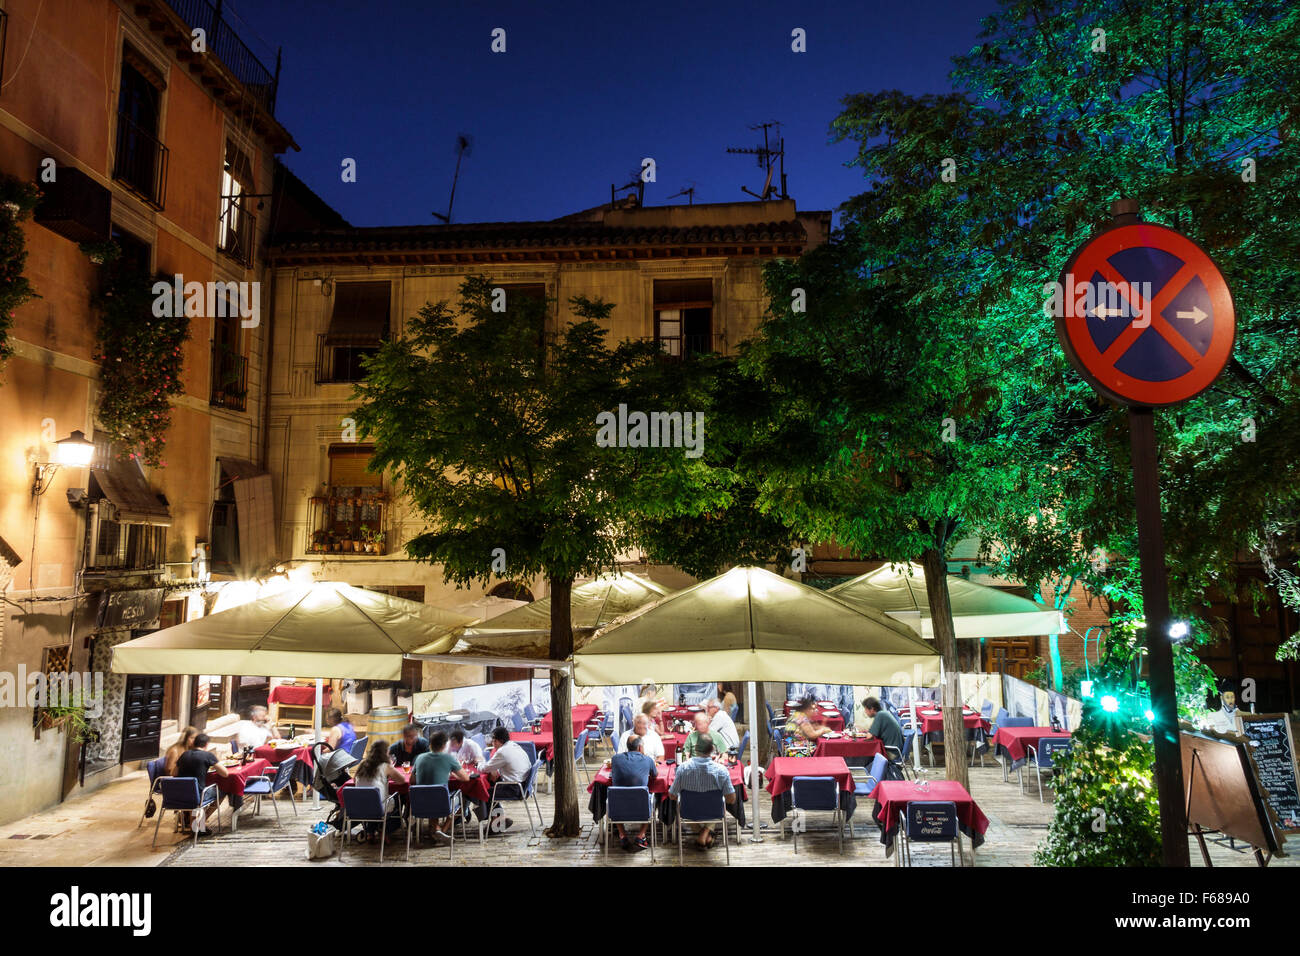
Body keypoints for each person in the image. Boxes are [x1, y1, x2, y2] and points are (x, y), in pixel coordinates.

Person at [668, 734, 735, 849]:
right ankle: (706, 834)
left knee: (682, 804)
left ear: (696, 748)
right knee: (716, 803)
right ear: (712, 750)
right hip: (714, 812)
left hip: (689, 812)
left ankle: (702, 834)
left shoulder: (683, 768)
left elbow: (672, 796)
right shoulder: (722, 770)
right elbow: (731, 799)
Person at [411, 731, 470, 841]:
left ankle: (436, 829)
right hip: (441, 804)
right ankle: (443, 830)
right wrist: (452, 773)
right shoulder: (448, 758)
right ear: (444, 745)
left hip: (420, 804)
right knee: (465, 798)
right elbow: (466, 778)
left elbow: (411, 781)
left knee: (431, 795)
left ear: (430, 744)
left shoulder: (419, 758)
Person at [609, 735, 657, 851]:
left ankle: (622, 834)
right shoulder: (648, 760)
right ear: (640, 747)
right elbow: (655, 775)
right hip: (641, 807)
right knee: (654, 797)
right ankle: (641, 835)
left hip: (618, 808)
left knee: (615, 796)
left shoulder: (615, 759)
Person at [174, 733, 227, 834]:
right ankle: (198, 822)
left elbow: (174, 773)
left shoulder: (184, 754)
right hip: (198, 795)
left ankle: (194, 823)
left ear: (194, 743)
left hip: (180, 795)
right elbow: (225, 773)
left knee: (195, 796)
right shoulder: (208, 755)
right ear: (206, 744)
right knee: (223, 791)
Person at [353, 739, 406, 841]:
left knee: (372, 801)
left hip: (360, 807)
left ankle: (370, 832)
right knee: (398, 797)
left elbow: (355, 779)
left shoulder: (362, 766)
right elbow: (402, 781)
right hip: (379, 807)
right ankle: (385, 830)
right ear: (386, 752)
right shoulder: (385, 767)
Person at [482, 727, 531, 833]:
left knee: (485, 792)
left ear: (500, 740)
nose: (492, 742)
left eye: (494, 740)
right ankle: (500, 818)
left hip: (515, 788)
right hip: (524, 785)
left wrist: (477, 764)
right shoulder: (514, 745)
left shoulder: (502, 752)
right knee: (491, 782)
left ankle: (495, 822)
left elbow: (485, 768)